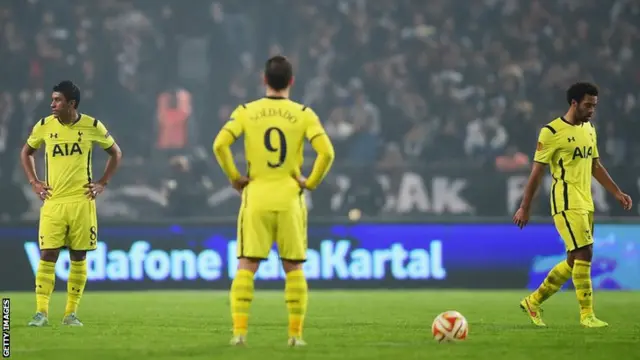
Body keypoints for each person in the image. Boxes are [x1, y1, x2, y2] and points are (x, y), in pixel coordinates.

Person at [212, 55, 335, 347]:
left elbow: (220, 144)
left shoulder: (246, 111)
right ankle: (295, 336)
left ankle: (239, 333)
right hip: (290, 197)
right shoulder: (304, 114)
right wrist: (311, 182)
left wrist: (234, 177)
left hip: (256, 195)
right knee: (293, 267)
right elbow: (327, 152)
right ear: (291, 81)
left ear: (264, 80)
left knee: (246, 265)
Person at [513, 82, 632, 328]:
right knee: (585, 252)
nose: (591, 110)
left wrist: (617, 192)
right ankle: (587, 315)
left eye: (594, 106)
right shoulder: (551, 132)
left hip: (585, 201)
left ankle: (533, 301)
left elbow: (595, 165)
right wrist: (525, 207)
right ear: (574, 103)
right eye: (588, 105)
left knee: (573, 258)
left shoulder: (589, 129)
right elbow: (536, 173)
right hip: (566, 201)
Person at [20, 81, 122, 327]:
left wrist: (102, 183)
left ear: (71, 104)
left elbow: (116, 153)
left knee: (78, 256)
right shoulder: (44, 126)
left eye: (57, 100)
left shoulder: (92, 125)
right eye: (52, 99)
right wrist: (34, 181)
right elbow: (26, 152)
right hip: (53, 201)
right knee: (48, 254)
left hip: (81, 201)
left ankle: (70, 314)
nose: (52, 104)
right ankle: (41, 312)